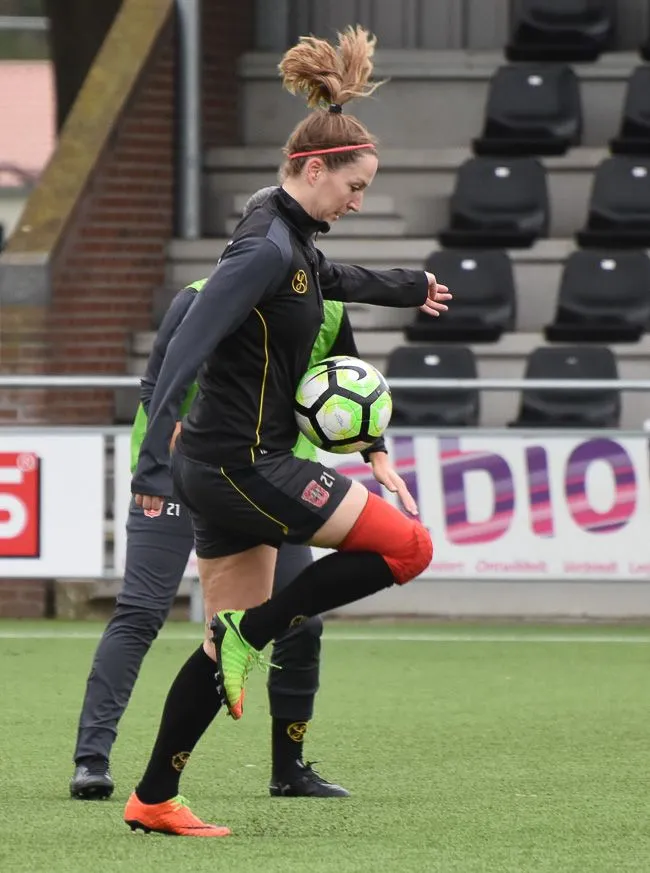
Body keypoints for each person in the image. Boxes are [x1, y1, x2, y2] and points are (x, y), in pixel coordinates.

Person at [126, 25, 451, 837]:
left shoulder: (285, 231)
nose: (358, 200)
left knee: (219, 649)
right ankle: (254, 632)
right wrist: (152, 455)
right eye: (355, 186)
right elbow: (190, 338)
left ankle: (155, 796)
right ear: (315, 168)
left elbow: (328, 277)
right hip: (243, 466)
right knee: (408, 548)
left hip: (224, 467)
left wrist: (406, 286)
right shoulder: (265, 247)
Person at [70, 187, 413, 803]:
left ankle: (289, 768)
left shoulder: (325, 305)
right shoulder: (200, 298)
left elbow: (351, 380)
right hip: (186, 473)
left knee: (300, 625)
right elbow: (157, 386)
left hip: (271, 483)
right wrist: (154, 469)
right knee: (143, 612)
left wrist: (376, 452)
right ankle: (92, 760)